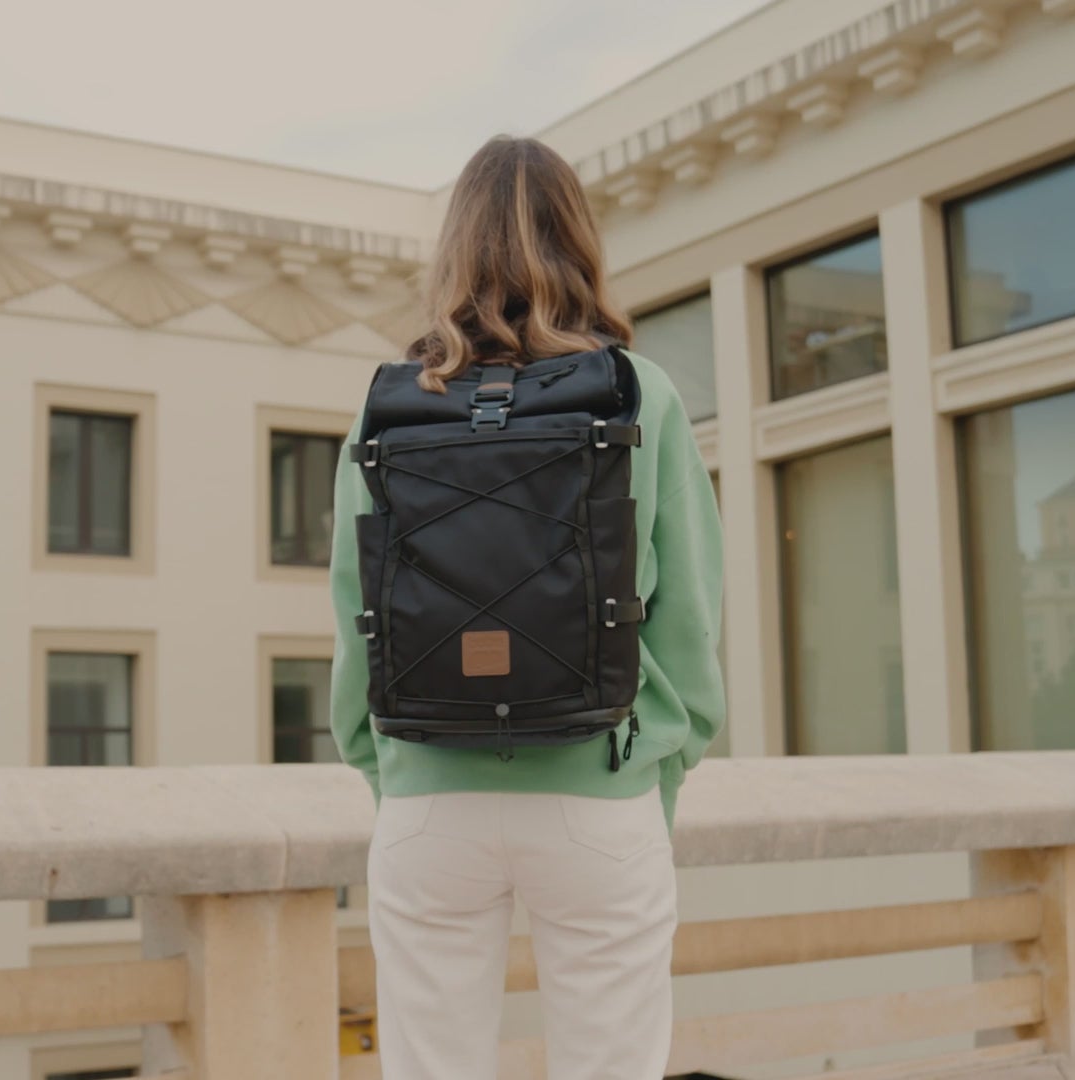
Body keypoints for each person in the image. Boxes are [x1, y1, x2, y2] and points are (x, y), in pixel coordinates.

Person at [328, 133, 726, 1080]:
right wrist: (652, 780)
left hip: (427, 792)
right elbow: (691, 619)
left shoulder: (388, 404)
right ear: (580, 241)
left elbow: (356, 615)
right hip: (598, 780)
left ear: (453, 248)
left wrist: (394, 777)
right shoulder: (640, 392)